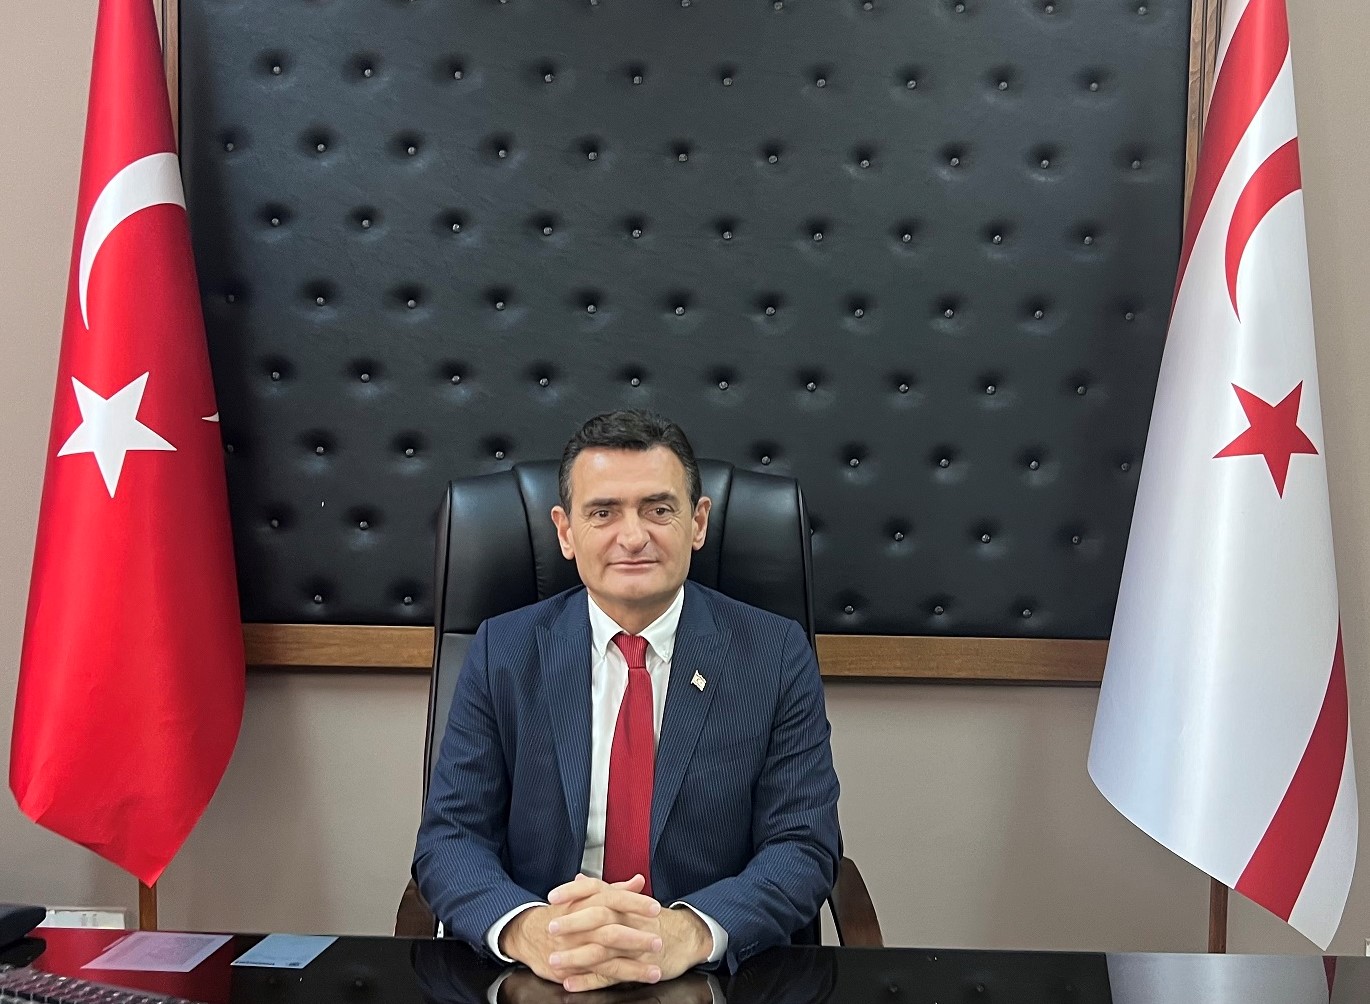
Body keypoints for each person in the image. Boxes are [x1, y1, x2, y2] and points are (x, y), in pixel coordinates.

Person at [413, 410, 840, 993]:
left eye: (659, 510)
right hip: (544, 973)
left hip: (707, 973)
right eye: (603, 512)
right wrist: (529, 930)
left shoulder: (775, 655)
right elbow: (451, 838)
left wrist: (689, 932)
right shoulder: (502, 651)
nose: (633, 537)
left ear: (698, 522)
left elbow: (802, 845)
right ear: (565, 532)